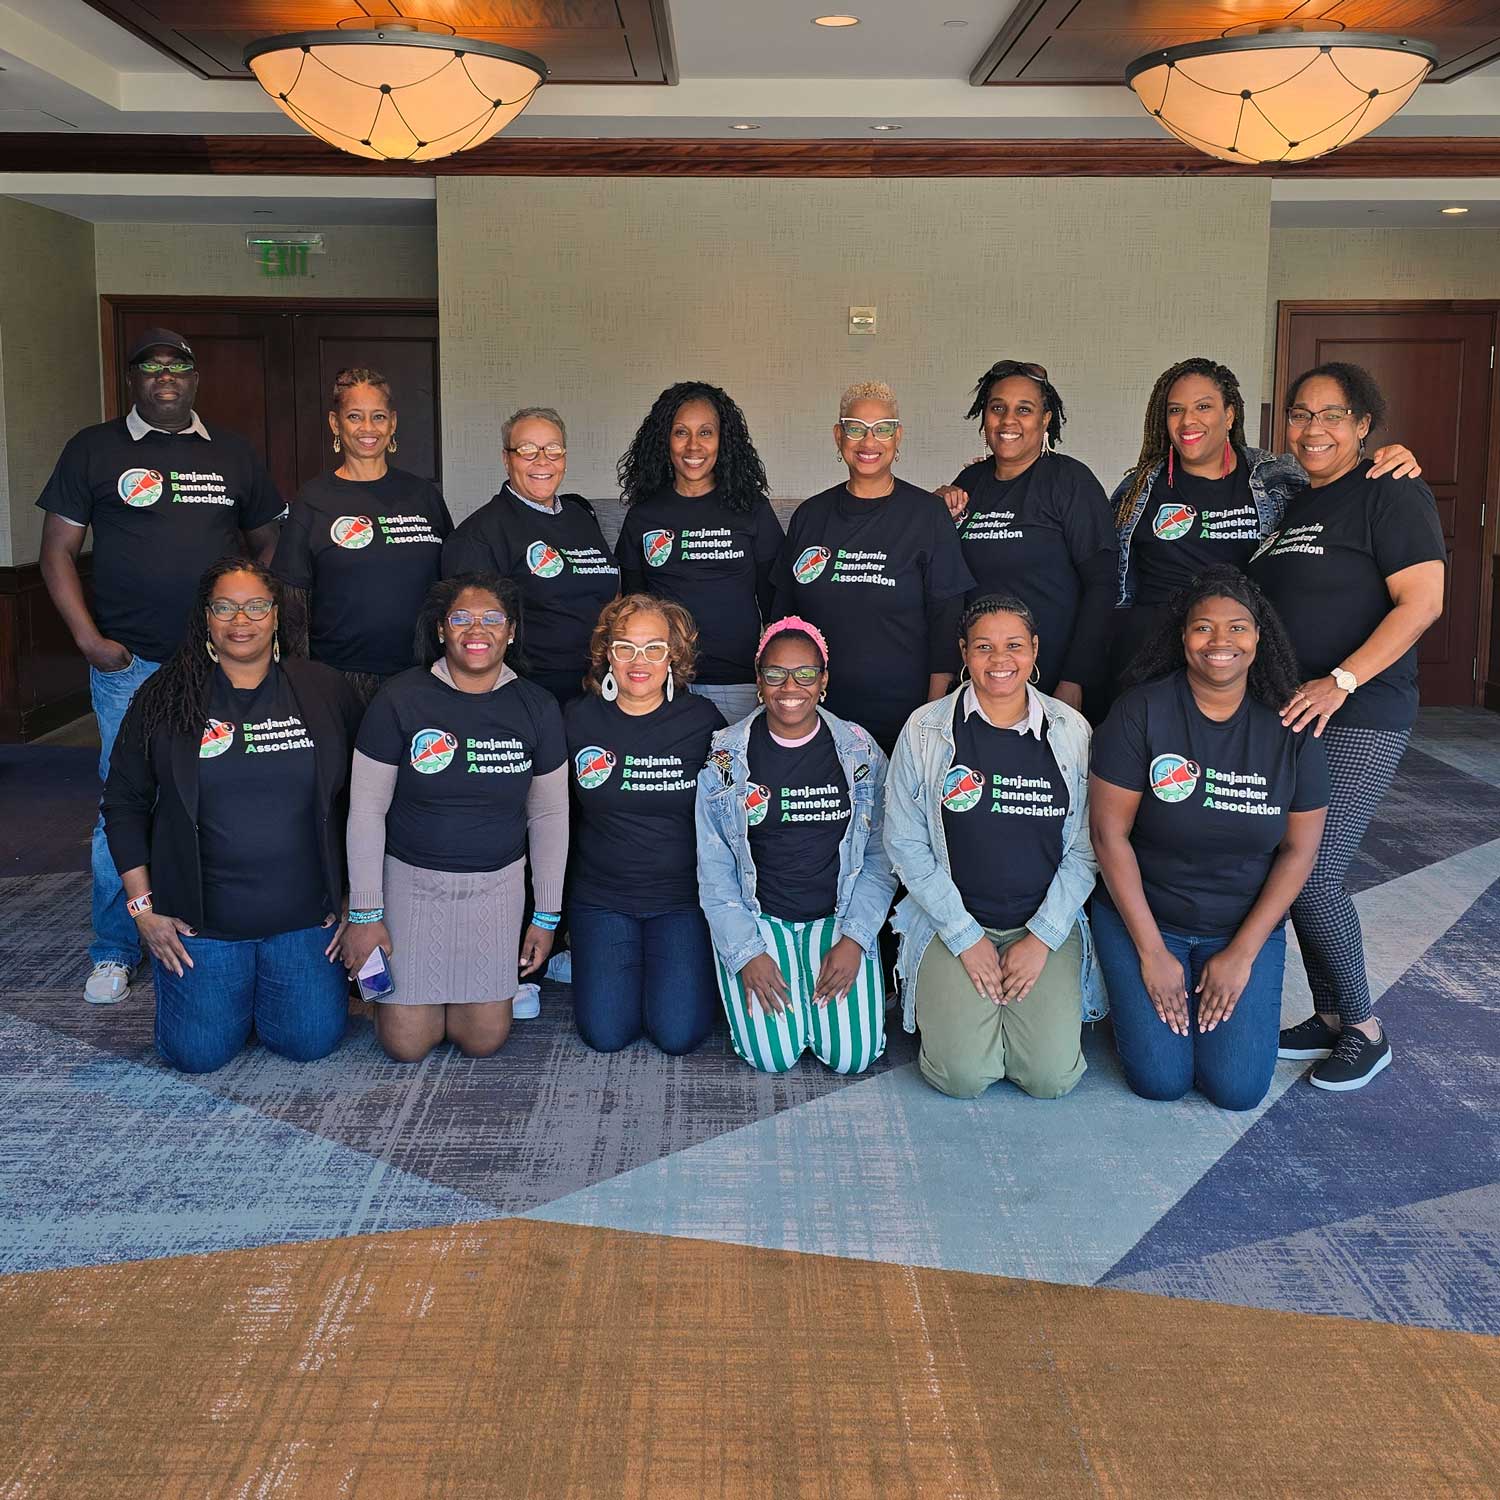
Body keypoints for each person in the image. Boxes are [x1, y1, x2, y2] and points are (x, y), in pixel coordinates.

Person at [37, 327, 285, 1005]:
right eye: (151, 367)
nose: (166, 377)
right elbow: (56, 550)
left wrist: (245, 619)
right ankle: (115, 948)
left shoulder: (232, 453)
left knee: (224, 795)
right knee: (122, 805)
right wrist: (87, 639)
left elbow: (272, 539)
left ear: (195, 377)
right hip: (132, 664)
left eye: (178, 366)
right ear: (134, 380)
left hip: (219, 666)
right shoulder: (94, 448)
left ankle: (207, 920)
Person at [1250, 363, 1446, 1092]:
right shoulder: (1295, 502)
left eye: (1333, 416)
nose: (1313, 430)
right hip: (1297, 710)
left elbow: (1422, 602)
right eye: (1301, 415)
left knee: (1316, 873)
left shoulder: (1392, 492)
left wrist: (1343, 680)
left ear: (1365, 426)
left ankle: (1365, 1025)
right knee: (1289, 865)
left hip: (1361, 711)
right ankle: (1331, 1016)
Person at [100, 559, 360, 1074]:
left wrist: (359, 899)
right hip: (203, 926)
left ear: (276, 616)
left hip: (307, 919)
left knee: (309, 1041)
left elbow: (363, 798)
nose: (241, 619)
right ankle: (232, 993)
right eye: (225, 606)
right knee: (198, 1054)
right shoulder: (164, 697)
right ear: (206, 617)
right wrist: (143, 910)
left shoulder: (324, 689)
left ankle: (259, 991)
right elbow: (123, 804)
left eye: (256, 606)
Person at [1089, 569, 1330, 1111]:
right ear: (1182, 637)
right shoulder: (1141, 711)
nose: (1220, 642)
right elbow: (1109, 837)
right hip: (1147, 919)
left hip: (1240, 926)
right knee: (1160, 1080)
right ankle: (1128, 996)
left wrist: (1242, 953)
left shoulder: (1293, 725)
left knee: (1237, 1089)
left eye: (1237, 628)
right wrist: (1151, 953)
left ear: (1258, 637)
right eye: (1203, 628)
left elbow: (1299, 851)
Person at [341, 574, 568, 1063]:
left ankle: (478, 993)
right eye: (461, 618)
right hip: (410, 886)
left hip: (496, 889)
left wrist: (546, 916)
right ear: (441, 630)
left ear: (511, 632)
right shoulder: (400, 698)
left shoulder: (538, 706)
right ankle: (377, 992)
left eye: (492, 619)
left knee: (483, 1040)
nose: (476, 630)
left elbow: (549, 815)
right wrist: (365, 912)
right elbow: (366, 810)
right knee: (407, 1045)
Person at [884, 595, 1101, 1101]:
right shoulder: (925, 729)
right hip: (953, 921)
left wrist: (1042, 938)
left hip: (1041, 922)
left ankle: (1012, 1017)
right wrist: (965, 936)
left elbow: (1088, 847)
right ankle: (979, 1019)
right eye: (983, 646)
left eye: (1013, 646)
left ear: (1034, 651)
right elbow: (905, 841)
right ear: (963, 651)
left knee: (1050, 1079)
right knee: (962, 1078)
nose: (999, 659)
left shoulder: (1071, 731)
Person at [1109, 356, 1422, 696]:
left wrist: (1389, 458)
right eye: (1175, 410)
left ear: (1229, 415)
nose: (1188, 421)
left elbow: (1338, 486)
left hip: (1238, 661)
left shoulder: (1280, 477)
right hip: (1150, 660)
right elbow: (1109, 580)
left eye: (1203, 406)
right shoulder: (1136, 490)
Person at [697, 617, 896, 1074]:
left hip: (839, 916)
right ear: (758, 679)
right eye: (775, 673)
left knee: (852, 1058)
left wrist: (856, 941)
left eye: (805, 674)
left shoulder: (860, 750)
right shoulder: (725, 757)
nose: (791, 686)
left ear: (823, 680)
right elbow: (714, 868)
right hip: (760, 917)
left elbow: (881, 856)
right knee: (773, 1057)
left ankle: (818, 1001)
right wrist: (747, 953)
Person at [772, 381, 973, 753]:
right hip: (815, 712)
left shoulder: (926, 516)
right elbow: (783, 618)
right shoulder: (810, 517)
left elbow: (947, 618)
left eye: (882, 429)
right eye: (855, 428)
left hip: (903, 716)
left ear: (898, 437)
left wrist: (930, 713)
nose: (869, 441)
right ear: (838, 436)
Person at [564, 595, 725, 1054]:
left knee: (678, 1035)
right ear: (606, 654)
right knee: (606, 1034)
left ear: (674, 656)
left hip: (680, 901)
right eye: (626, 647)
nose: (640, 661)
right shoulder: (577, 719)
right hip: (602, 900)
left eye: (654, 648)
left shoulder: (703, 723)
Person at [934, 361, 1116, 714]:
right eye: (997, 408)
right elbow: (948, 583)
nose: (1008, 420)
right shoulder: (970, 482)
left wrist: (1074, 680)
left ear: (1045, 419)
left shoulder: (1070, 482)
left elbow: (1102, 587)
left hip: (1051, 684)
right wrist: (934, 512)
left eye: (1024, 410)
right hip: (982, 681)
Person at [273, 367, 452, 704]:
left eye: (378, 417)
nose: (368, 429)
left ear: (393, 422)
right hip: (339, 678)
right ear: (335, 423)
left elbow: (451, 585)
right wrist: (299, 680)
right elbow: (292, 600)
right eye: (355, 416)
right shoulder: (313, 499)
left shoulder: (423, 496)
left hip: (422, 673)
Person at [615, 381, 784, 724]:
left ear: (724, 440)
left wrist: (773, 675)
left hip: (735, 682)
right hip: (665, 680)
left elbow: (777, 602)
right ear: (665, 440)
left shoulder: (750, 508)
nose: (694, 445)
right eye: (681, 432)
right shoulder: (645, 514)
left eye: (706, 432)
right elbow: (633, 605)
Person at [442, 407, 618, 705]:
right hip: (531, 696)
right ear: (506, 459)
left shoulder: (579, 517)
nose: (542, 461)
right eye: (526, 450)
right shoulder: (481, 534)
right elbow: (472, 632)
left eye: (553, 449)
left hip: (600, 687)